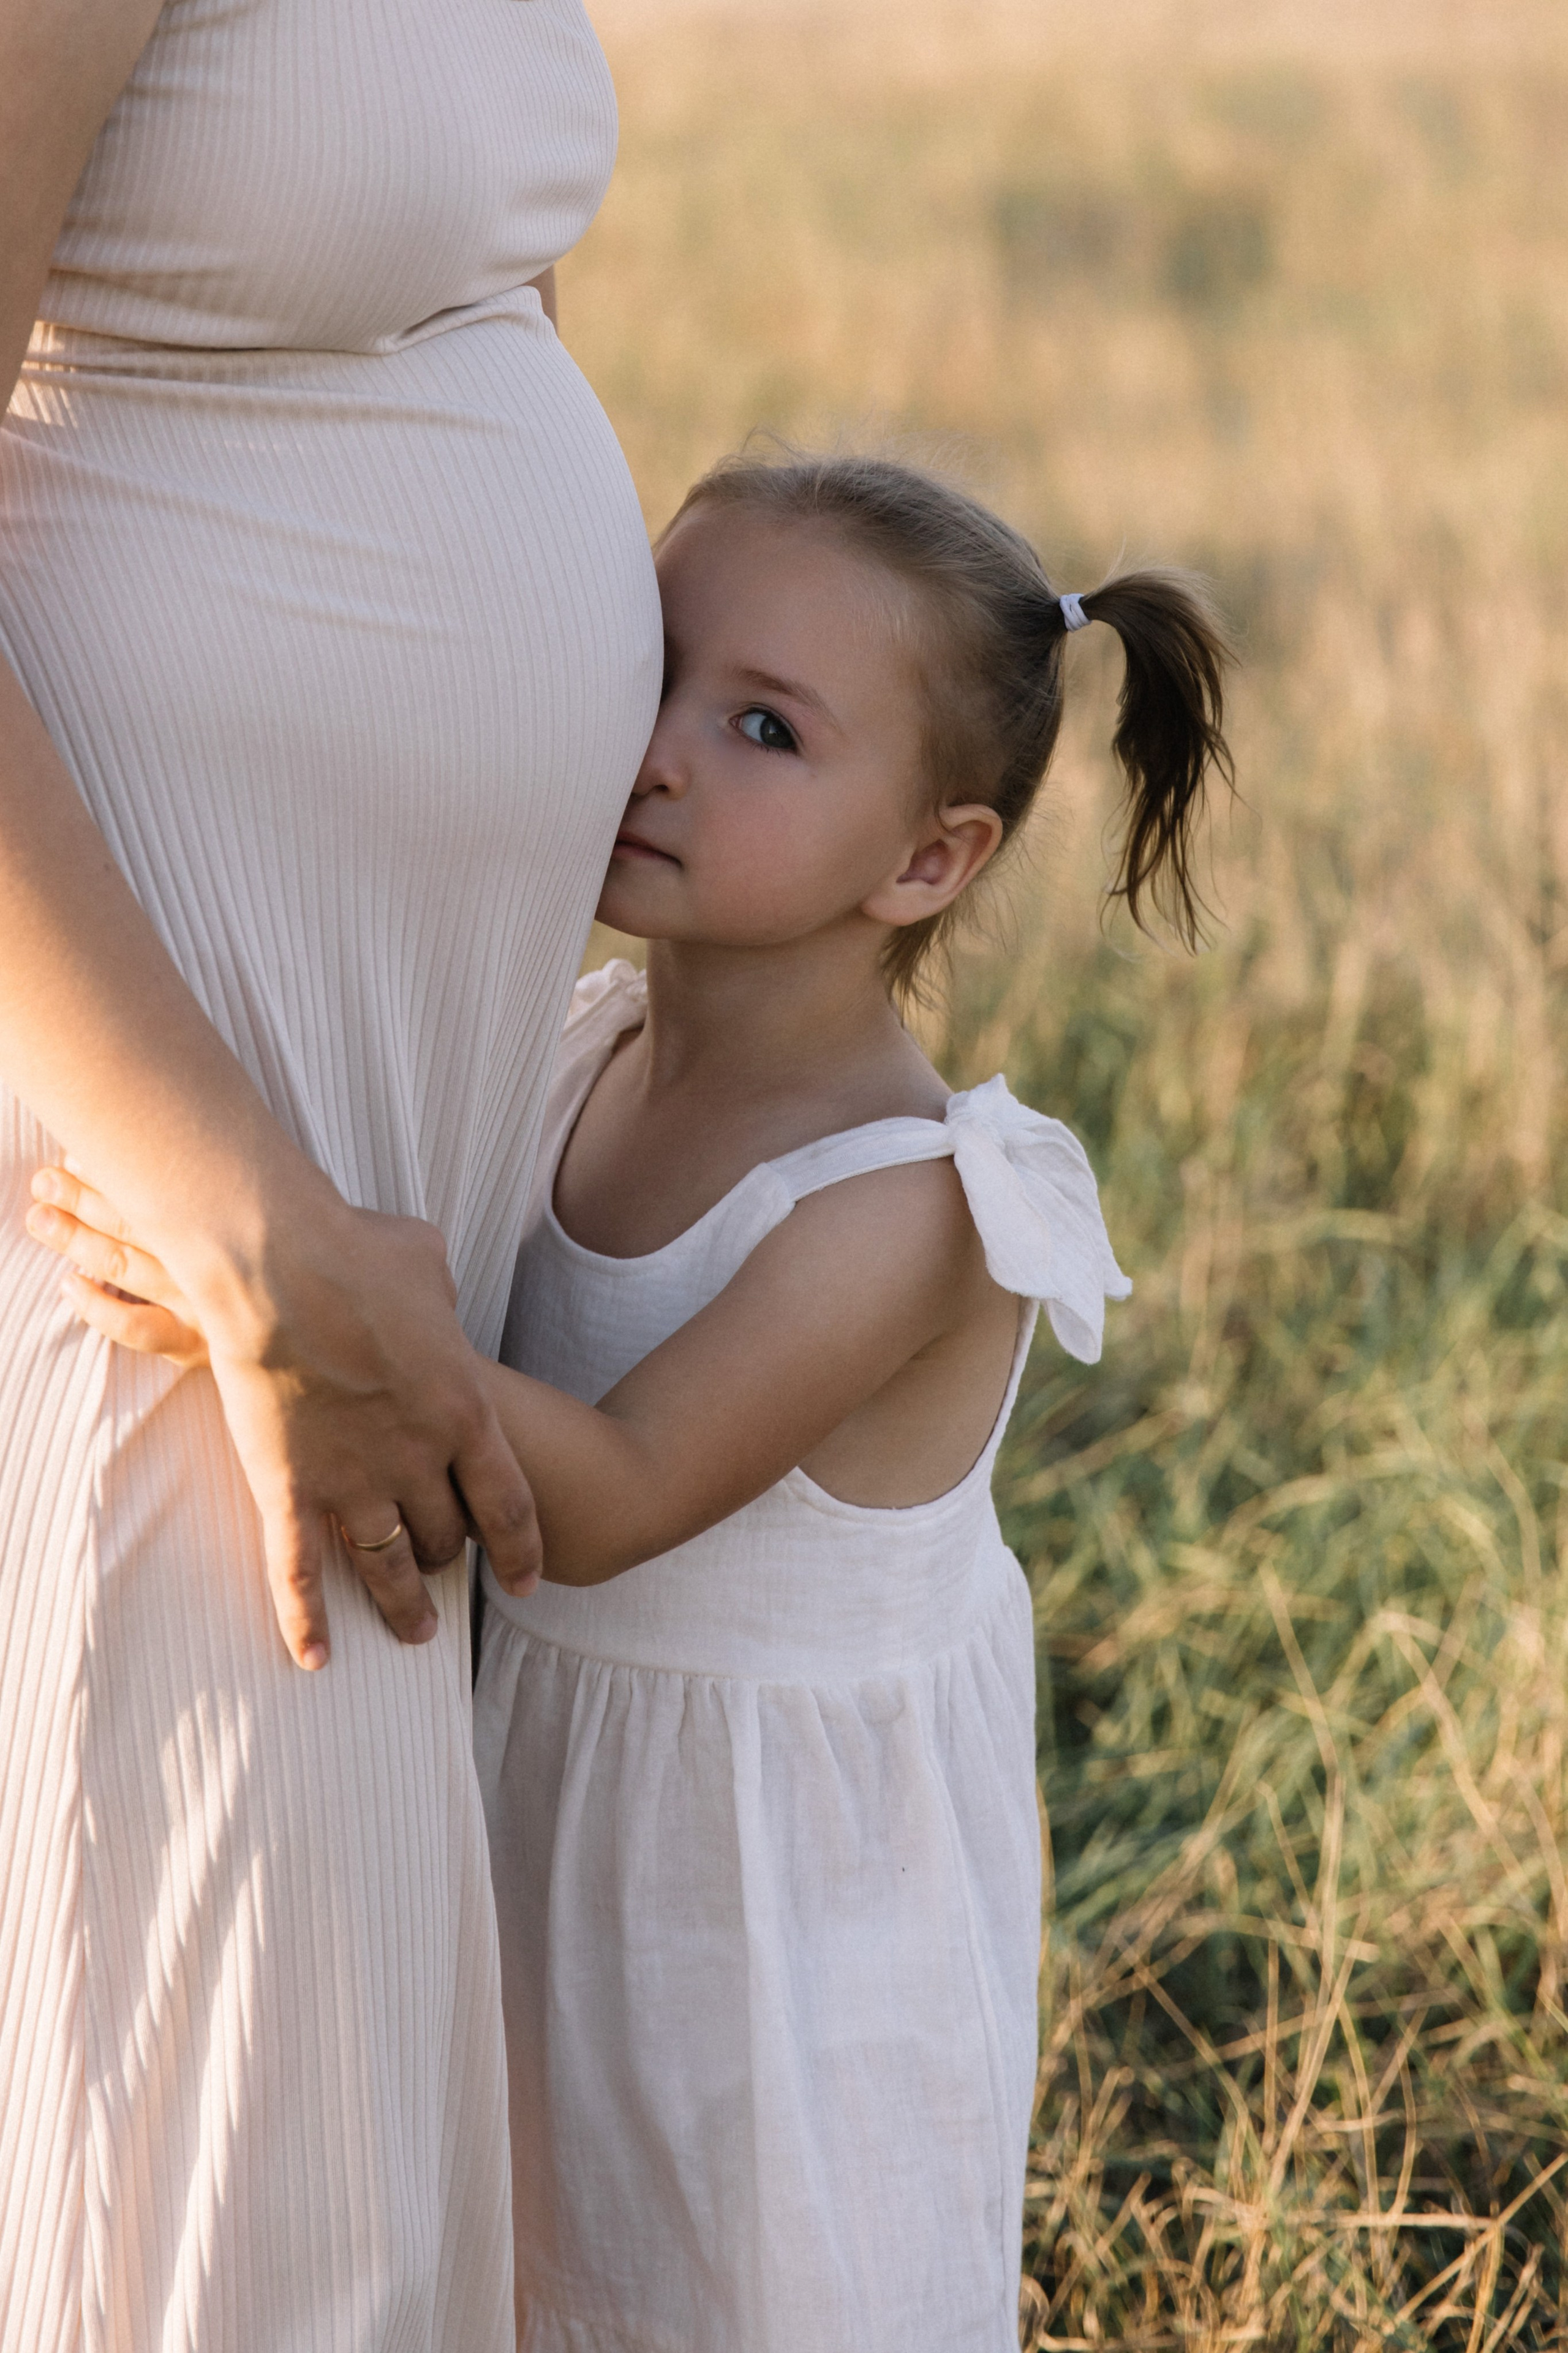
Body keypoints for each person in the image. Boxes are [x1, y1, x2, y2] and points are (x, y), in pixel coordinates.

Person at [35, 452, 1234, 2351]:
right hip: (550, 1826)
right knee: (548, 2273)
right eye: (654, 671)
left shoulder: (909, 1205)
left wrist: (243, 1291)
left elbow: (602, 1496)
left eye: (762, 727)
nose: (660, 750)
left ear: (931, 857)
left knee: (754, 2291)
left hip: (777, 1931)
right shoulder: (577, 1045)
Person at [0, 1, 661, 2345]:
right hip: (161, 1163)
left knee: (319, 2111)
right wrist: (238, 1222)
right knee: (197, 2122)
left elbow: (467, 298)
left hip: (366, 1139)